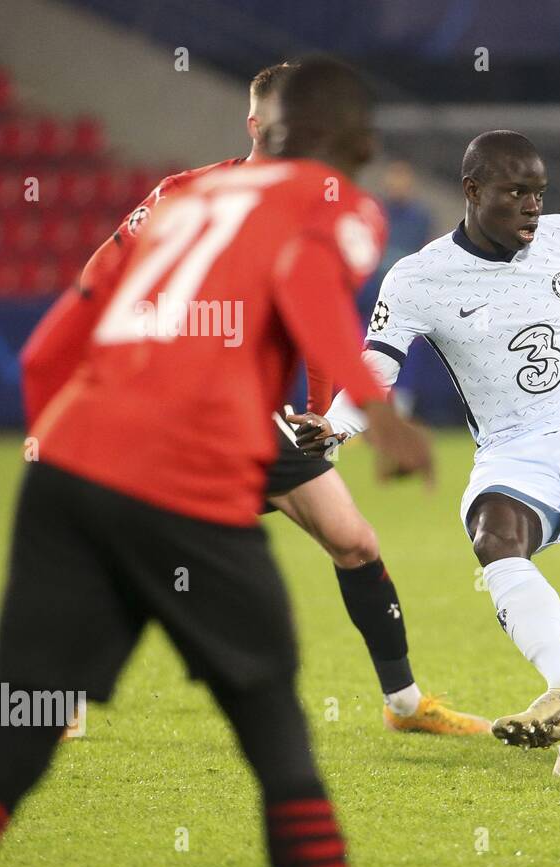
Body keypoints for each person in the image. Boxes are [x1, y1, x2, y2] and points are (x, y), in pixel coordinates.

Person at [0, 57, 433, 867]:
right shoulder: (340, 200)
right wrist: (380, 412)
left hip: (70, 462)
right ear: (358, 140)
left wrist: (59, 457)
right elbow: (303, 282)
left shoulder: (180, 198)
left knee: (14, 744)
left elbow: (49, 347)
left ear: (265, 126)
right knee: (277, 739)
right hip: (190, 475)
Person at [293, 131, 560, 779]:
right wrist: (333, 429)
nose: (532, 206)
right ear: (472, 192)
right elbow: (374, 370)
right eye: (516, 193)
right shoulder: (418, 278)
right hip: (512, 447)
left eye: (539, 193)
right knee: (495, 536)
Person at [72, 61, 486, 735]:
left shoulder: (323, 205)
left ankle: (406, 705)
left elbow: (316, 319)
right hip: (172, 411)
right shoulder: (190, 193)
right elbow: (98, 277)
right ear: (256, 123)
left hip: (252, 418)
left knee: (353, 540)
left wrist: (322, 410)